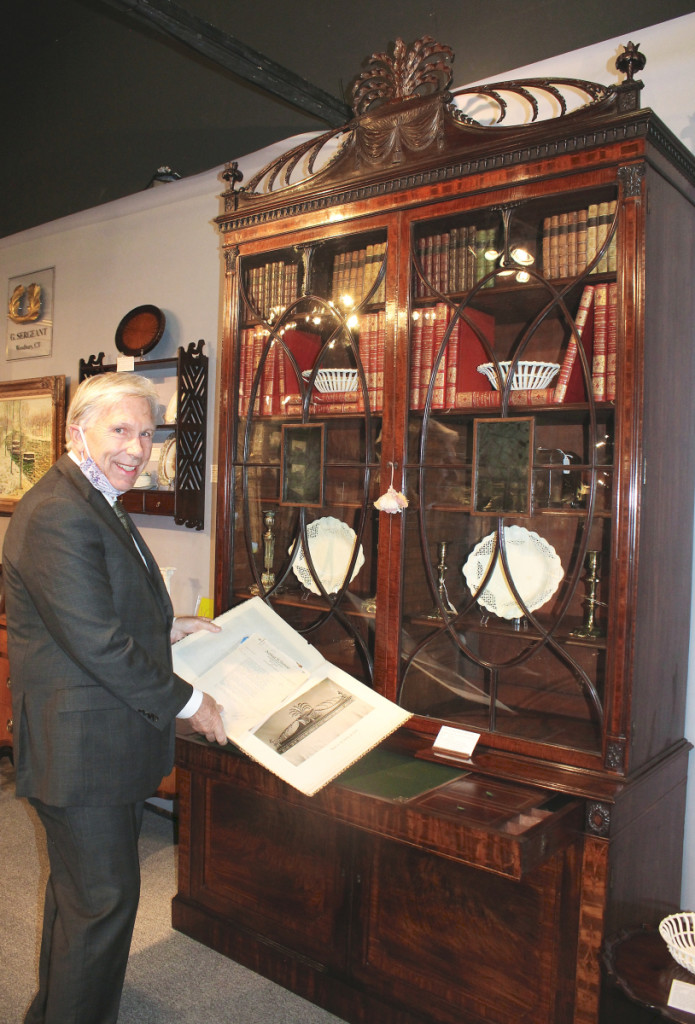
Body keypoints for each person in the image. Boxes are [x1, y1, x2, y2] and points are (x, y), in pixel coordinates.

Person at [2, 372, 228, 1024]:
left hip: (98, 746)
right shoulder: (57, 511)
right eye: (120, 430)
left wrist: (165, 626)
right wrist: (190, 702)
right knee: (101, 906)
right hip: (82, 754)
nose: (137, 446)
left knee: (82, 900)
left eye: (147, 432)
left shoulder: (90, 495)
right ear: (79, 431)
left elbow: (92, 609)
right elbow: (96, 643)